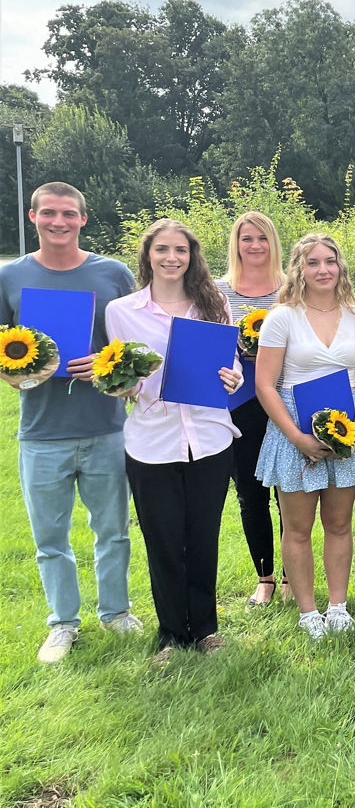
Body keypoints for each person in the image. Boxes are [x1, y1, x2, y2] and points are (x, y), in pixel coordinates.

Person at [0, 181, 140, 663]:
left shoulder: (112, 274)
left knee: (113, 530)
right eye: (49, 213)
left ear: (84, 218)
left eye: (68, 214)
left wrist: (105, 360)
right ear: (33, 216)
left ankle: (116, 612)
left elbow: (135, 341)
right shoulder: (11, 276)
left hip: (105, 425)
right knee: (49, 538)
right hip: (41, 431)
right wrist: (18, 372)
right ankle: (62, 623)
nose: (58, 222)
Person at [105, 219, 243, 662]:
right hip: (152, 441)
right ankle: (171, 634)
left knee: (203, 536)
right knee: (163, 539)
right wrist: (122, 385)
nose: (171, 258)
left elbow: (232, 362)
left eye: (180, 250)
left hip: (209, 438)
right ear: (147, 255)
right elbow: (118, 370)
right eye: (161, 249)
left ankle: (204, 629)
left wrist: (233, 376)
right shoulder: (122, 311)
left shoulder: (213, 303)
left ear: (192, 256)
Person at [254, 233, 355, 638]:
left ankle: (338, 606)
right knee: (298, 527)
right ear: (299, 269)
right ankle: (308, 612)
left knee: (340, 523)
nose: (323, 269)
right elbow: (265, 385)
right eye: (313, 262)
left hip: (347, 423)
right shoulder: (282, 317)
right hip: (293, 425)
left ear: (340, 266)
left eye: (330, 261)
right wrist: (297, 438)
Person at [214, 212, 287, 609]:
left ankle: (294, 573)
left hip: (287, 399)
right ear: (236, 243)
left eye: (262, 237)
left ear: (273, 243)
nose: (255, 245)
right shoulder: (216, 292)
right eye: (246, 238)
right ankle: (265, 577)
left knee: (290, 489)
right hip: (238, 404)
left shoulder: (292, 289)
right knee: (250, 492)